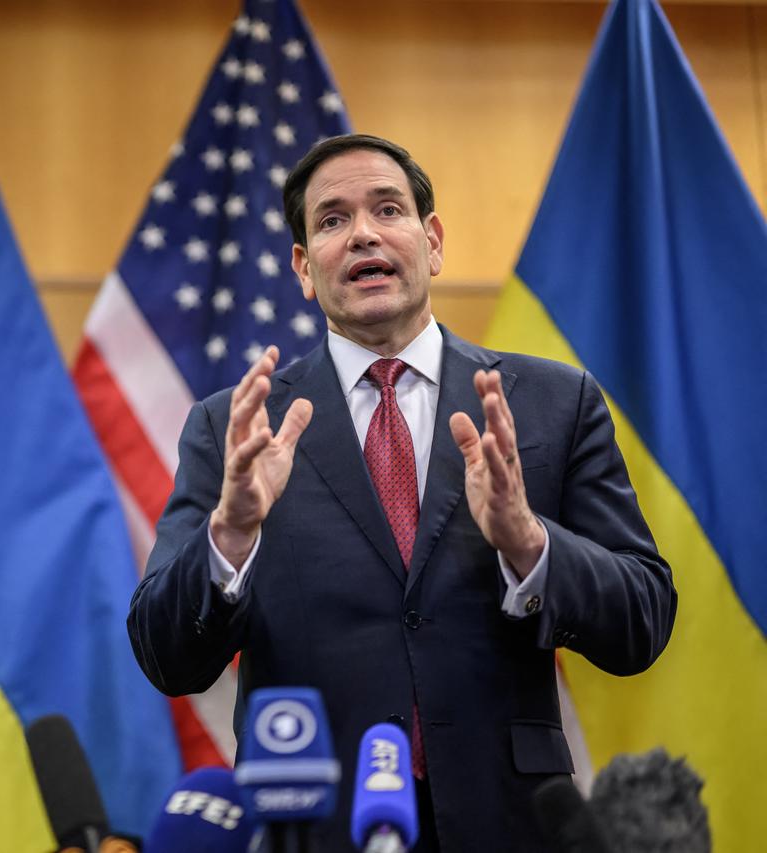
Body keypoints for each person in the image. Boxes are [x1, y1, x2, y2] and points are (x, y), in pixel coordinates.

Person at [126, 134, 677, 852]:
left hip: (510, 823)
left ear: (432, 240)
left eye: (388, 209)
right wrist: (230, 538)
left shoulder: (552, 403)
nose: (362, 234)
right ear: (302, 268)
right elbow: (168, 658)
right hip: (316, 826)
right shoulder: (236, 429)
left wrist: (530, 544)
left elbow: (643, 619)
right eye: (330, 220)